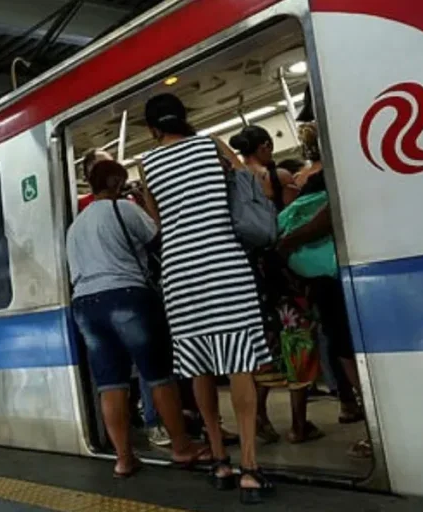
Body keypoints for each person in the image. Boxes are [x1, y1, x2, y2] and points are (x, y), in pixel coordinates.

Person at [139, 93, 275, 503]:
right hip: (225, 262)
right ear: (185, 118)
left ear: (153, 128)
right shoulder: (212, 145)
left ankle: (218, 461)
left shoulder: (146, 165)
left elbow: (156, 221)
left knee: (198, 364)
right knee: (239, 363)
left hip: (180, 272)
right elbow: (252, 183)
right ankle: (249, 468)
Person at [67, 160, 212, 479]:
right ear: (117, 181)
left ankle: (123, 458)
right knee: (158, 374)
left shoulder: (75, 225)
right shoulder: (124, 208)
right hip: (126, 295)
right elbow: (159, 240)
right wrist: (148, 200)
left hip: (85, 305)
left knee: (111, 383)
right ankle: (181, 447)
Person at [278, 121, 369, 458]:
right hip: (341, 267)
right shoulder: (336, 169)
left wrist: (288, 241)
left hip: (324, 276)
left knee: (343, 345)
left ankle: (366, 417)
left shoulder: (306, 179)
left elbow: (322, 218)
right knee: (349, 343)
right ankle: (370, 419)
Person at [230, 126, 322, 444]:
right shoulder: (278, 175)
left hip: (251, 274)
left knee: (266, 348)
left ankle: (260, 420)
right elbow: (294, 218)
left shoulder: (232, 183)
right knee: (299, 342)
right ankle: (298, 426)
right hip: (283, 270)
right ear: (265, 146)